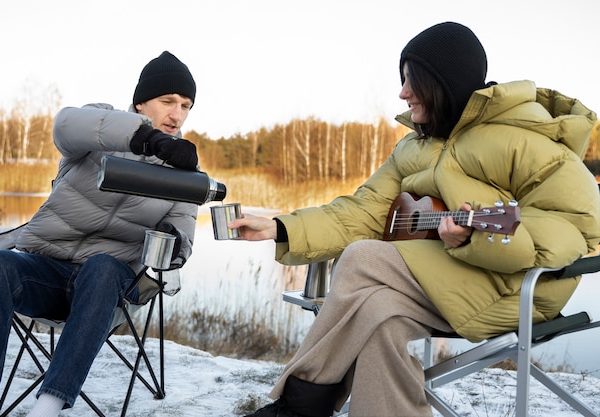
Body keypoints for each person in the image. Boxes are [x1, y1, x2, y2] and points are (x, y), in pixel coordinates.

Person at [230, 22, 600, 417]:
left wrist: (478, 239)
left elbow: (577, 225)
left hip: (519, 286)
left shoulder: (528, 139)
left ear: (443, 83)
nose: (402, 92)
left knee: (361, 259)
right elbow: (364, 211)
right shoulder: (414, 146)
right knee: (378, 317)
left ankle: (299, 408)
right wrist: (280, 226)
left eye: (411, 80)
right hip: (444, 281)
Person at [0, 51, 200, 417]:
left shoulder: (185, 169)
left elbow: (183, 235)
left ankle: (47, 407)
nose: (177, 115)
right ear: (142, 101)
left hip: (107, 290)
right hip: (48, 272)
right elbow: (65, 125)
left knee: (104, 268)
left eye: (186, 105)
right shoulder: (101, 124)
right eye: (168, 101)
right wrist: (146, 140)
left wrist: (171, 242)